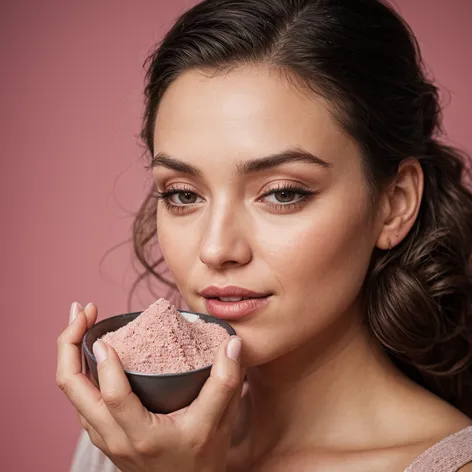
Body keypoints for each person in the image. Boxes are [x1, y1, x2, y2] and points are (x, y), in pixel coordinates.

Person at [56, 0, 472, 470]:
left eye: (282, 193)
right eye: (183, 195)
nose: (216, 249)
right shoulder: (129, 441)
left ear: (394, 203)